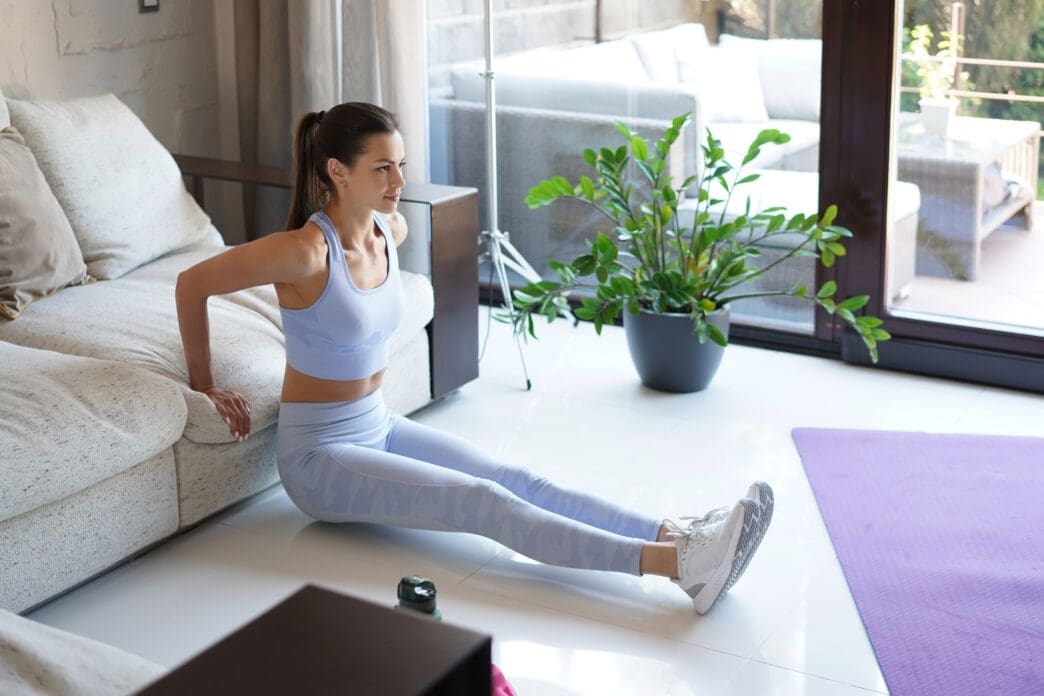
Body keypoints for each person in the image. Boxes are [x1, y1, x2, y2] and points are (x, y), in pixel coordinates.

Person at [175, 102, 773, 615]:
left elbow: (387, 233)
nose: (398, 181)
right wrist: (205, 384)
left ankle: (679, 533)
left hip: (377, 424)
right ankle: (678, 567)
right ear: (336, 170)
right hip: (319, 458)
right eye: (381, 168)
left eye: (400, 164)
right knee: (485, 504)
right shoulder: (303, 252)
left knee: (516, 479)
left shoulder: (389, 232)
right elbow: (191, 284)